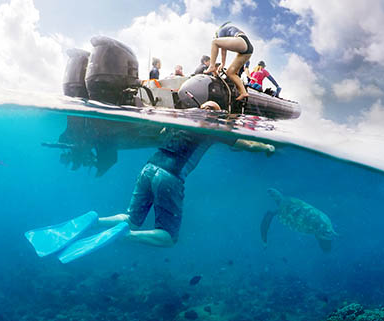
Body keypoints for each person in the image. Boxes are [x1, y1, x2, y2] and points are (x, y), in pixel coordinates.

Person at [25, 101, 275, 263]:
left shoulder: (182, 119)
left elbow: (161, 130)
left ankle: (94, 219)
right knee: (168, 237)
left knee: (130, 216)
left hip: (148, 167)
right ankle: (126, 236)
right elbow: (248, 144)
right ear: (215, 114)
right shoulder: (213, 127)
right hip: (171, 176)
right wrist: (267, 146)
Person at [205, 22, 253, 101]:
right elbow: (224, 49)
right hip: (248, 51)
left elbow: (223, 50)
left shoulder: (220, 32)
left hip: (242, 41)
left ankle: (211, 66)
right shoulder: (229, 32)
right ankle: (243, 92)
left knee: (214, 42)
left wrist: (222, 64)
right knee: (230, 73)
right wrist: (223, 64)